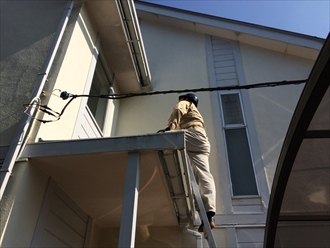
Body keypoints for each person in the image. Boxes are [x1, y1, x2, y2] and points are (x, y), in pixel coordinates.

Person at [158, 93, 216, 232]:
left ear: (186, 99)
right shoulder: (197, 114)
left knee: (162, 139)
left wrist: (169, 128)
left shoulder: (186, 104)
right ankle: (208, 215)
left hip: (193, 135)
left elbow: (178, 110)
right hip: (202, 141)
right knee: (203, 175)